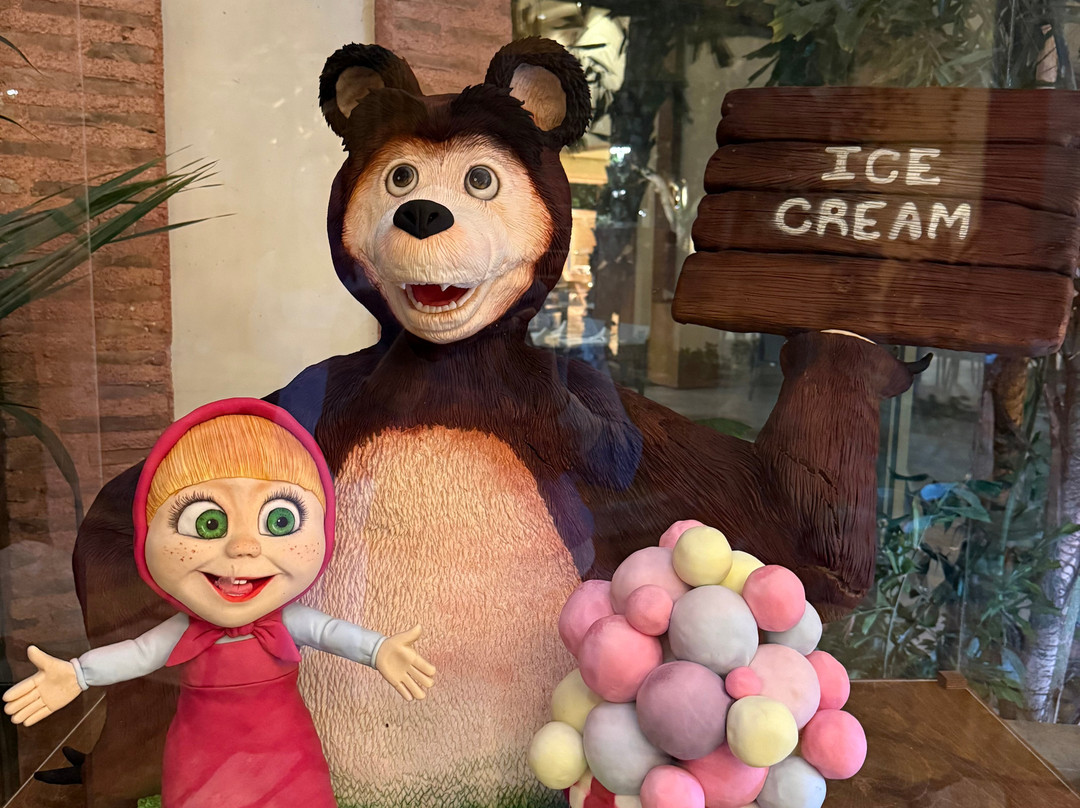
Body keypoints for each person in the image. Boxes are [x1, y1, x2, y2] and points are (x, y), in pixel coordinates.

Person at [3, 397, 435, 808]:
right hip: (202, 756)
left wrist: (377, 650)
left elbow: (327, 631)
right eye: (208, 522)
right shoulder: (184, 630)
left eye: (279, 520)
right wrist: (78, 674)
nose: (244, 546)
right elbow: (138, 653)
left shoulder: (286, 619)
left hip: (284, 751)